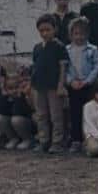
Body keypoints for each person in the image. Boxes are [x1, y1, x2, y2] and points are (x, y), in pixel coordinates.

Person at [31, 13, 68, 154]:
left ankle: (57, 142)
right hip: (39, 87)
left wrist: (61, 85)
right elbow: (35, 67)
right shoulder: (37, 48)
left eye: (48, 30)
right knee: (41, 115)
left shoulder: (59, 46)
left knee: (56, 115)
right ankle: (43, 141)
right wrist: (31, 85)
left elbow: (63, 67)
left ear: (55, 29)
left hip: (54, 87)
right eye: (42, 31)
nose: (45, 33)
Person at [65, 18, 98, 153]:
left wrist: (87, 81)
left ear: (87, 34)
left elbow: (96, 67)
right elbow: (65, 69)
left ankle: (90, 139)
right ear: (71, 34)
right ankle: (76, 140)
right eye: (76, 33)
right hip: (74, 86)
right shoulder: (67, 50)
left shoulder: (93, 49)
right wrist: (71, 81)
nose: (79, 36)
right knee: (75, 113)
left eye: (82, 33)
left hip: (87, 86)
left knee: (89, 113)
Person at [0, 76, 36, 151]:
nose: (14, 90)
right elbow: (2, 111)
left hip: (27, 124)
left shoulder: (24, 97)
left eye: (16, 87)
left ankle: (28, 139)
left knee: (16, 119)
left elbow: (18, 112)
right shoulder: (6, 97)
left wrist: (19, 98)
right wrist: (4, 97)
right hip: (14, 126)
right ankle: (13, 138)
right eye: (10, 88)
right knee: (0, 118)